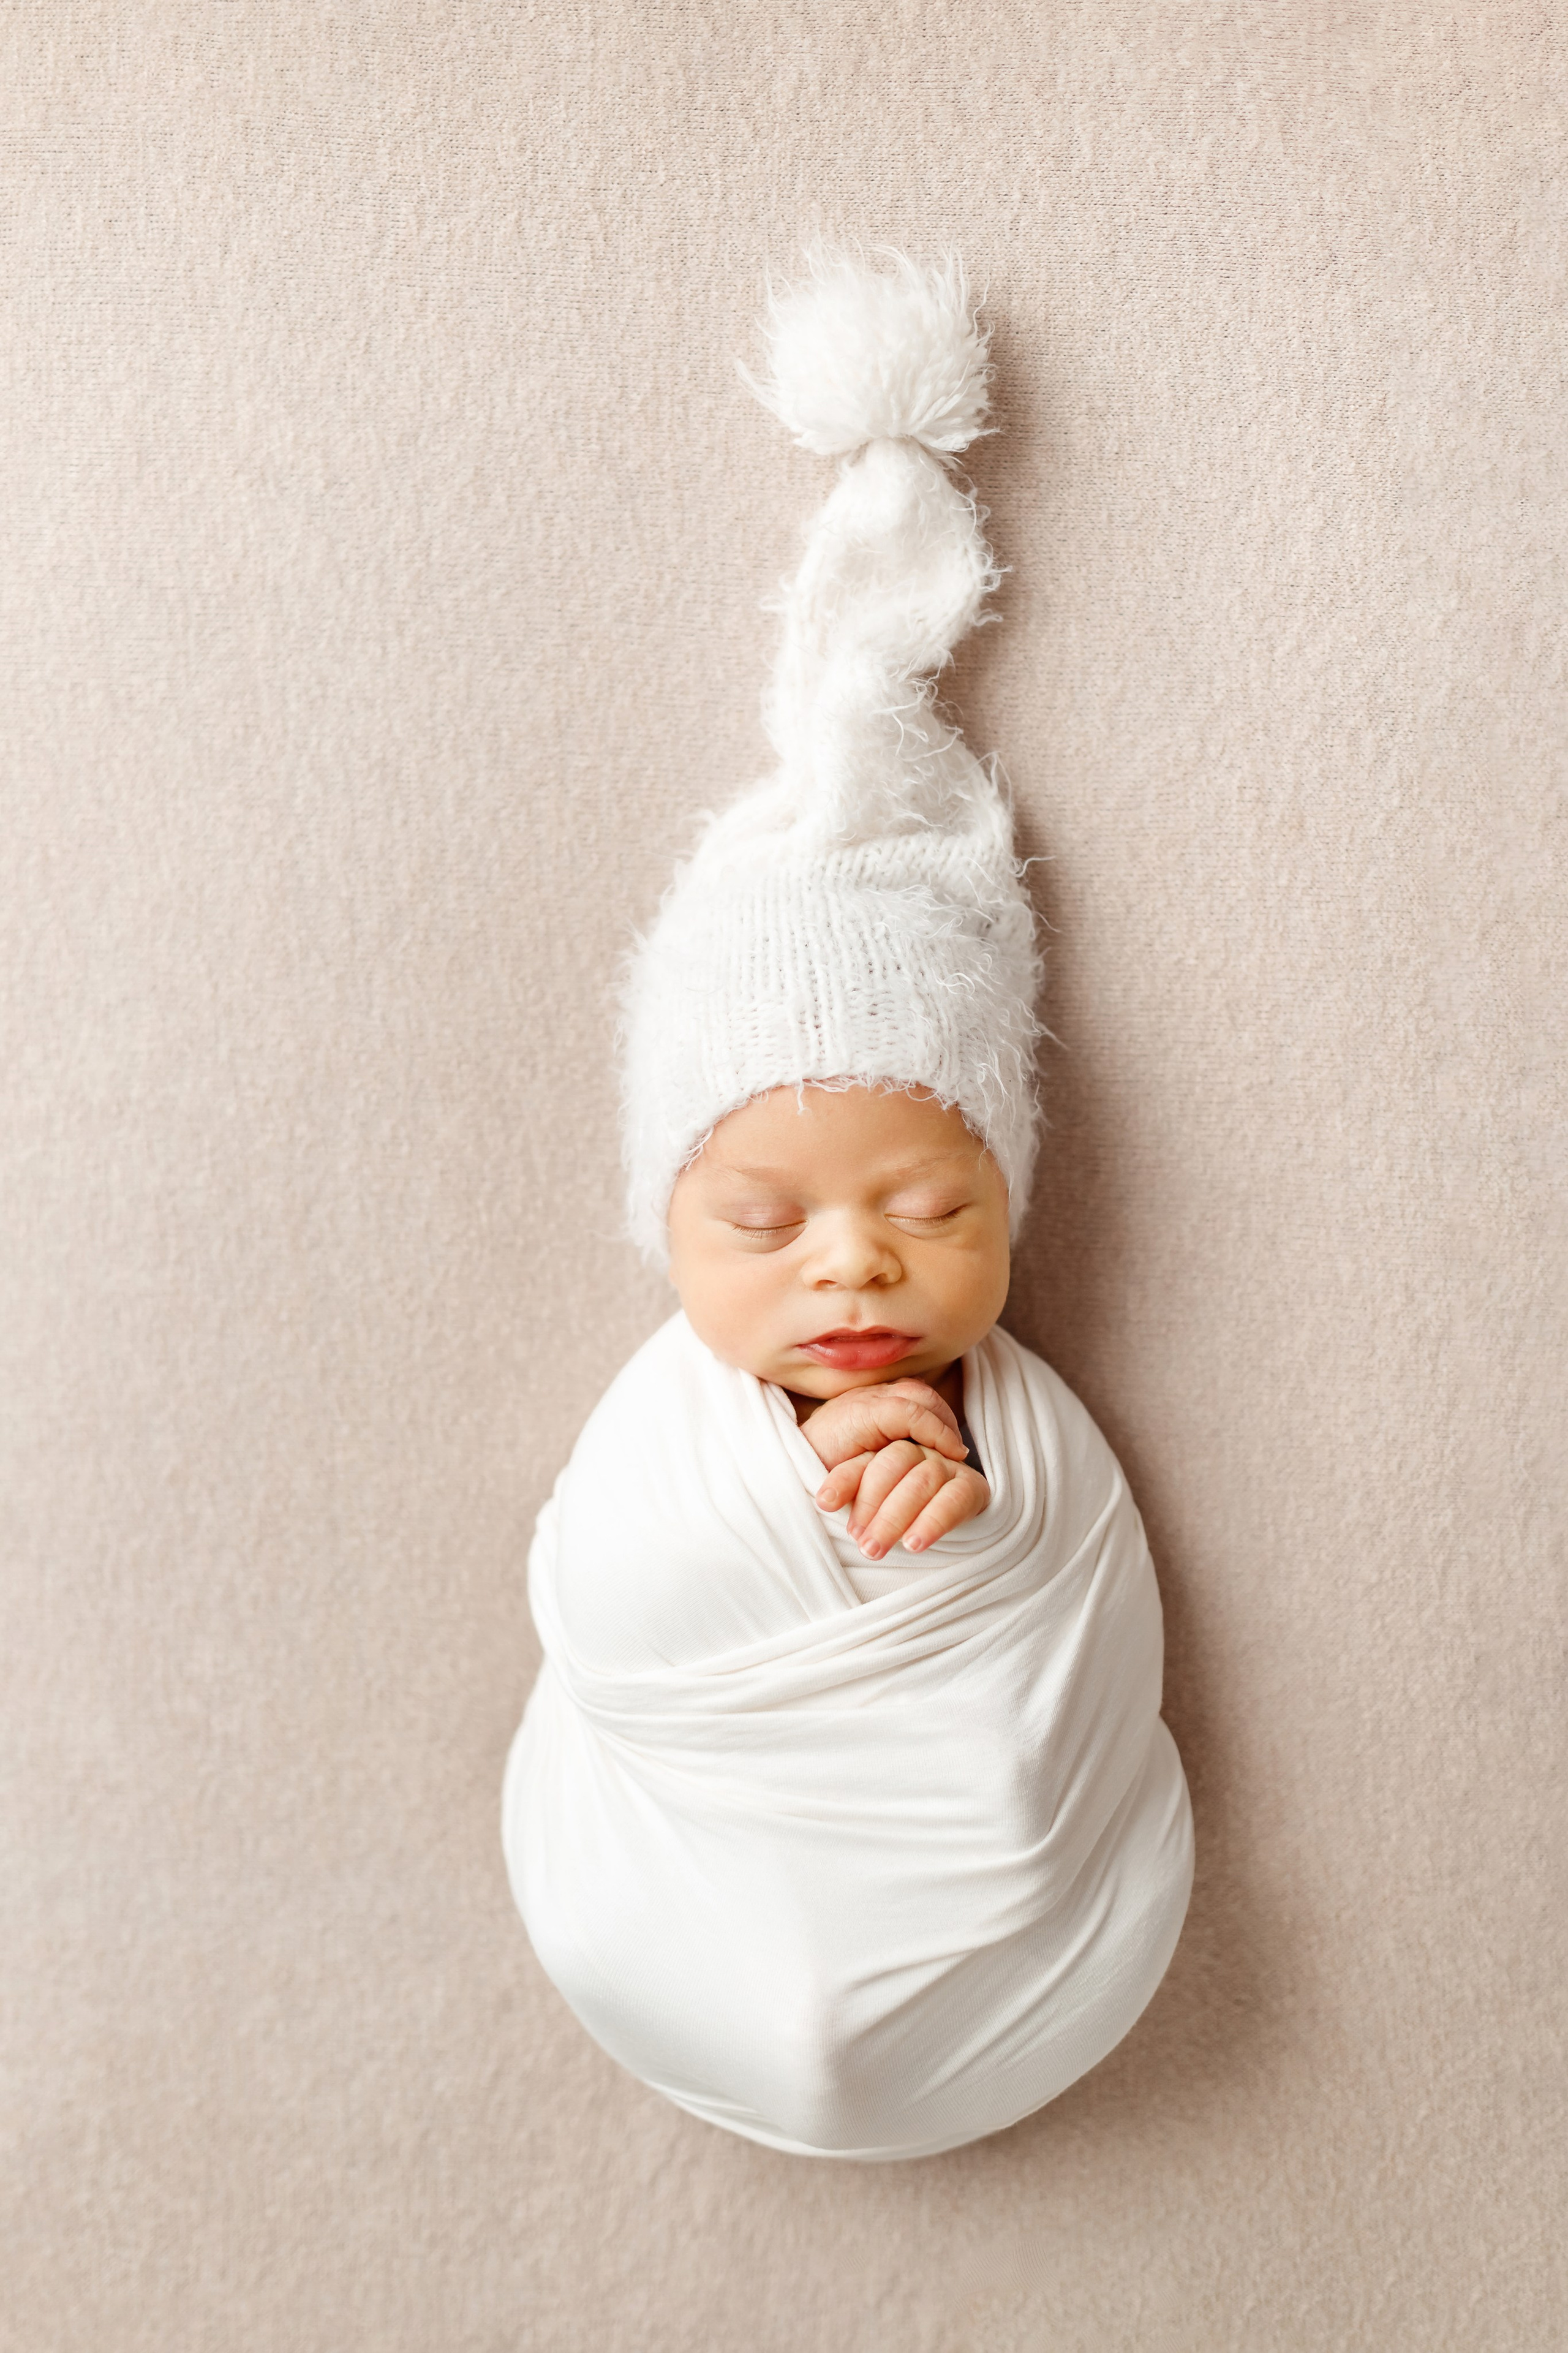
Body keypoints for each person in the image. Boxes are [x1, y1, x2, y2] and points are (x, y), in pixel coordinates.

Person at [502, 251, 1193, 2159]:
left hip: (1000, 1929)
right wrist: (799, 1486)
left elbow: (1030, 1719)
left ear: (1012, 1196)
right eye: (761, 1220)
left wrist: (949, 1530)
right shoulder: (663, 1443)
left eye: (925, 1203)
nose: (855, 1259)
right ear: (668, 1221)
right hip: (683, 1893)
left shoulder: (1031, 1462)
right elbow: (615, 1607)